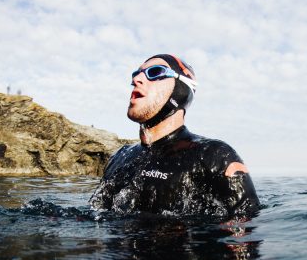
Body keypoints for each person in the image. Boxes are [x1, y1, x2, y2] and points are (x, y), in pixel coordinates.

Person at [90, 54, 259, 218]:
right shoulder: (120, 156)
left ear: (180, 90)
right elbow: (95, 216)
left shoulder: (213, 155)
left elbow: (244, 233)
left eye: (155, 72)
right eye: (136, 74)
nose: (136, 79)